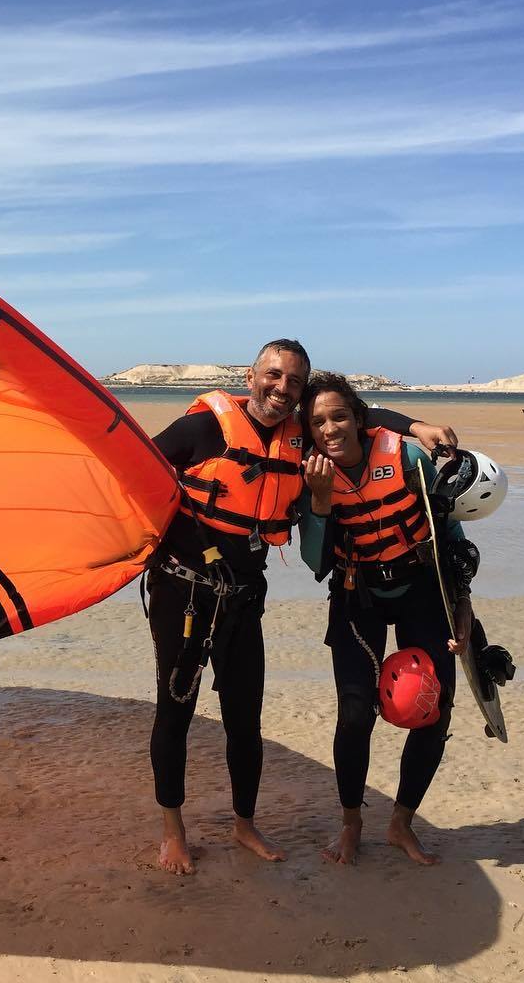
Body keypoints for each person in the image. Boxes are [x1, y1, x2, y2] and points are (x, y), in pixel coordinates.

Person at [147, 341, 457, 875]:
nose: (281, 387)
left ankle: (244, 824)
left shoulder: (301, 438)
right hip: (184, 592)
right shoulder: (204, 428)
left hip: (244, 596)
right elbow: (140, 470)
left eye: (293, 381)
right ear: (251, 376)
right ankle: (173, 833)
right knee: (175, 710)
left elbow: (362, 416)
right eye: (273, 375)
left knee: (245, 718)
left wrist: (416, 425)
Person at [298, 371, 474, 866]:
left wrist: (462, 603)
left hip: (422, 590)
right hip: (357, 598)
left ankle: (401, 823)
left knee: (433, 709)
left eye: (339, 417)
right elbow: (314, 561)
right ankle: (351, 822)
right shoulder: (310, 474)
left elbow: (448, 532)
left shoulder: (407, 456)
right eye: (317, 422)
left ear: (358, 418)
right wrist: (320, 500)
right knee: (355, 714)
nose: (329, 429)